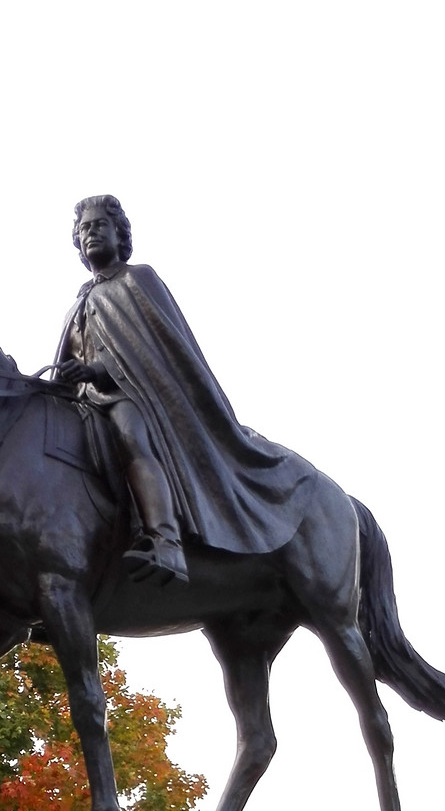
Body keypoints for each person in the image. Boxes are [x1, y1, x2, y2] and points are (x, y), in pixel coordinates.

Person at [54, 195, 317, 585]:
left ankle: (165, 540)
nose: (91, 233)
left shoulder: (136, 280)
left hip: (131, 397)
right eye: (84, 228)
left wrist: (95, 370)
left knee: (131, 437)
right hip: (85, 404)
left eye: (99, 226)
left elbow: (154, 354)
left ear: (119, 234)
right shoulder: (80, 300)